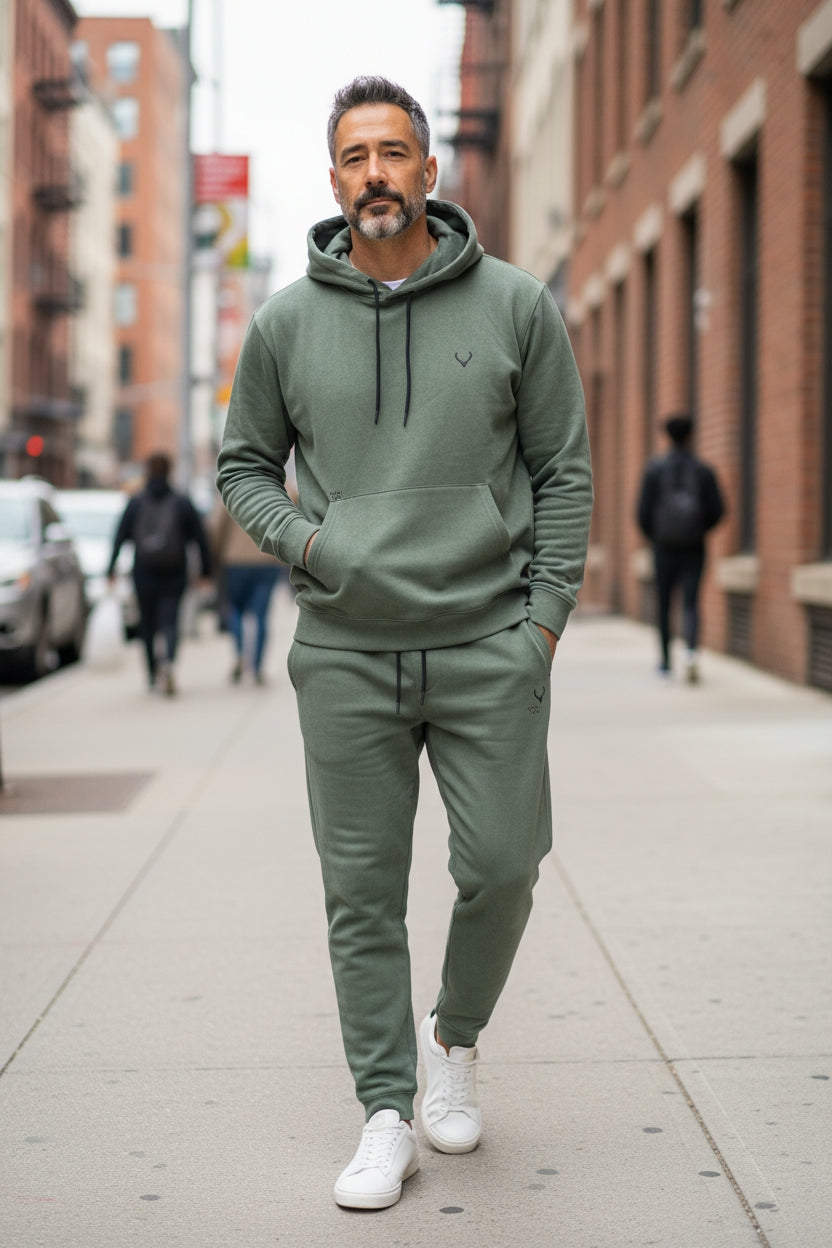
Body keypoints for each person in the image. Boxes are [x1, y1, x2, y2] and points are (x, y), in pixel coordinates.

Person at [217, 75, 593, 1210]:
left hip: (489, 640)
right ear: (331, 179)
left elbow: (563, 470)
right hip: (344, 651)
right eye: (353, 157)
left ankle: (455, 1037)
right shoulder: (284, 321)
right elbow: (242, 467)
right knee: (362, 893)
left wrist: (542, 624)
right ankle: (386, 1110)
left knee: (502, 868)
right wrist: (317, 548)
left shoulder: (517, 305)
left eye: (394, 153)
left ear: (431, 172)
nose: (374, 173)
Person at [108, 452, 212, 695]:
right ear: (169, 471)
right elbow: (200, 539)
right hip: (175, 572)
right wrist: (206, 572)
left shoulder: (135, 502)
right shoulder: (181, 502)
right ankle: (169, 664)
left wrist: (110, 569)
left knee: (147, 624)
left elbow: (120, 536)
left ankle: (152, 674)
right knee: (170, 621)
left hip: (144, 572)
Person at [636, 414, 725, 683]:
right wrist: (698, 530)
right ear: (690, 436)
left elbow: (642, 513)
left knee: (663, 603)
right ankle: (691, 652)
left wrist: (657, 536)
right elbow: (718, 511)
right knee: (691, 600)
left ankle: (665, 662)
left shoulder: (654, 469)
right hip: (694, 548)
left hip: (663, 548)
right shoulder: (703, 470)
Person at [210, 501, 288, 685]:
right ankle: (258, 666)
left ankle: (240, 654)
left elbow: (217, 527)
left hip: (235, 560)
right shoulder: (282, 486)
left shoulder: (234, 483)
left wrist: (216, 556)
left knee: (235, 609)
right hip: (266, 559)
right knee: (261, 615)